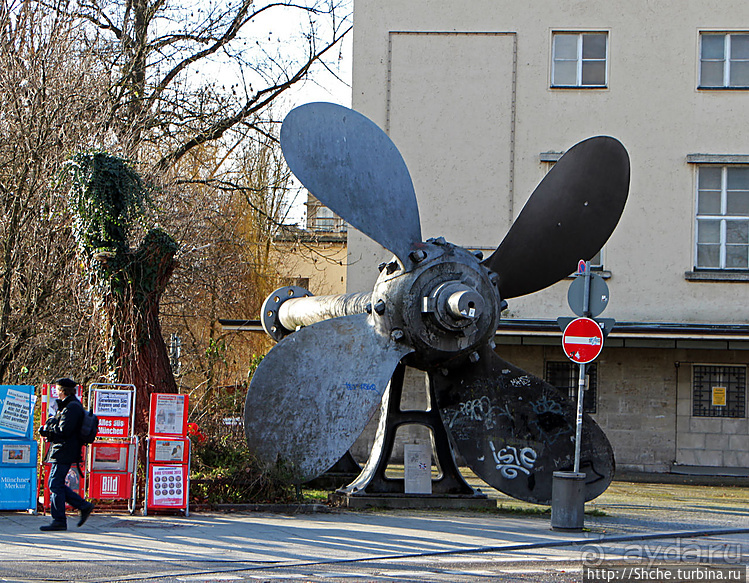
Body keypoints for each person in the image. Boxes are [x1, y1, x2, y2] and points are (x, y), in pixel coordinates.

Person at [38, 378, 95, 531]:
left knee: (55, 484)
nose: (56, 392)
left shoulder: (71, 407)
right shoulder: (69, 406)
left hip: (65, 450)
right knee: (55, 483)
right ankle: (82, 506)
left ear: (62, 390)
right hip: (63, 450)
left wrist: (48, 429)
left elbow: (64, 430)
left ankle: (60, 520)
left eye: (57, 389)